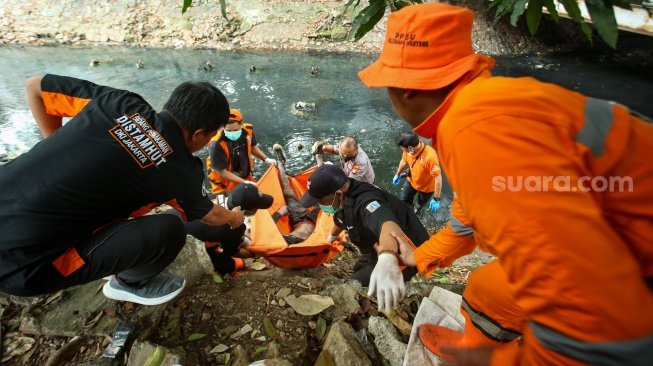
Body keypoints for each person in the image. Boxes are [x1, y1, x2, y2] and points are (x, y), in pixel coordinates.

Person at [357, 2, 653, 364]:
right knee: (485, 291)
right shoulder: (482, 110)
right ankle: (479, 345)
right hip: (625, 243)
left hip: (633, 267)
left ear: (406, 91)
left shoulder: (477, 132)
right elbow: (467, 223)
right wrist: (417, 256)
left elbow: (587, 297)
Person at [0, 74, 245, 306]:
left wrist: (53, 145)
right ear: (198, 134)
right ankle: (129, 283)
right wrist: (235, 217)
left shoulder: (120, 102)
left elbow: (34, 87)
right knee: (168, 229)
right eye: (209, 137)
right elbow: (211, 216)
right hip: (22, 265)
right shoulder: (181, 168)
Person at [298, 164, 428, 309]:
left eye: (321, 202)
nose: (320, 206)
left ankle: (384, 303)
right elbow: (340, 219)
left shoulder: (367, 202)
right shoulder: (345, 196)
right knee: (358, 268)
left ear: (338, 194)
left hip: (404, 251)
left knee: (351, 286)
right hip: (376, 245)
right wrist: (331, 236)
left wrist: (387, 258)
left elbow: (388, 227)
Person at [165, 183, 275, 277]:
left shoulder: (224, 195)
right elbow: (234, 252)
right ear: (245, 211)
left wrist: (242, 239)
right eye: (256, 208)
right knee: (227, 264)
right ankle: (230, 274)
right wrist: (254, 254)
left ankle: (213, 248)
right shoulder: (233, 227)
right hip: (173, 240)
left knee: (210, 235)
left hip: (170, 217)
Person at [206, 109, 276, 193]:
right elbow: (222, 172)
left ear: (241, 124)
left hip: (244, 174)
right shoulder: (216, 144)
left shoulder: (248, 130)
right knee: (230, 204)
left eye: (235, 130)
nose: (232, 133)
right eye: (228, 131)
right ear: (223, 127)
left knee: (256, 195)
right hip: (224, 183)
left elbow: (252, 146)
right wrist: (245, 183)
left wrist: (265, 159)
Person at [392, 131, 442, 214]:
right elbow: (404, 161)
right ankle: (408, 212)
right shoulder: (408, 151)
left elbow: (438, 178)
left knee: (420, 203)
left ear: (410, 147)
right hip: (411, 181)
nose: (402, 149)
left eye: (402, 148)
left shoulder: (430, 157)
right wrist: (397, 174)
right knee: (404, 200)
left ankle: (417, 211)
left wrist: (436, 198)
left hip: (426, 188)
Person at [311, 136, 375, 183]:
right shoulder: (342, 148)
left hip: (363, 181)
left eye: (350, 154)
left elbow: (351, 180)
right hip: (348, 173)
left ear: (356, 149)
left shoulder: (361, 161)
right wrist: (322, 148)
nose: (345, 156)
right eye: (343, 153)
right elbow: (333, 149)